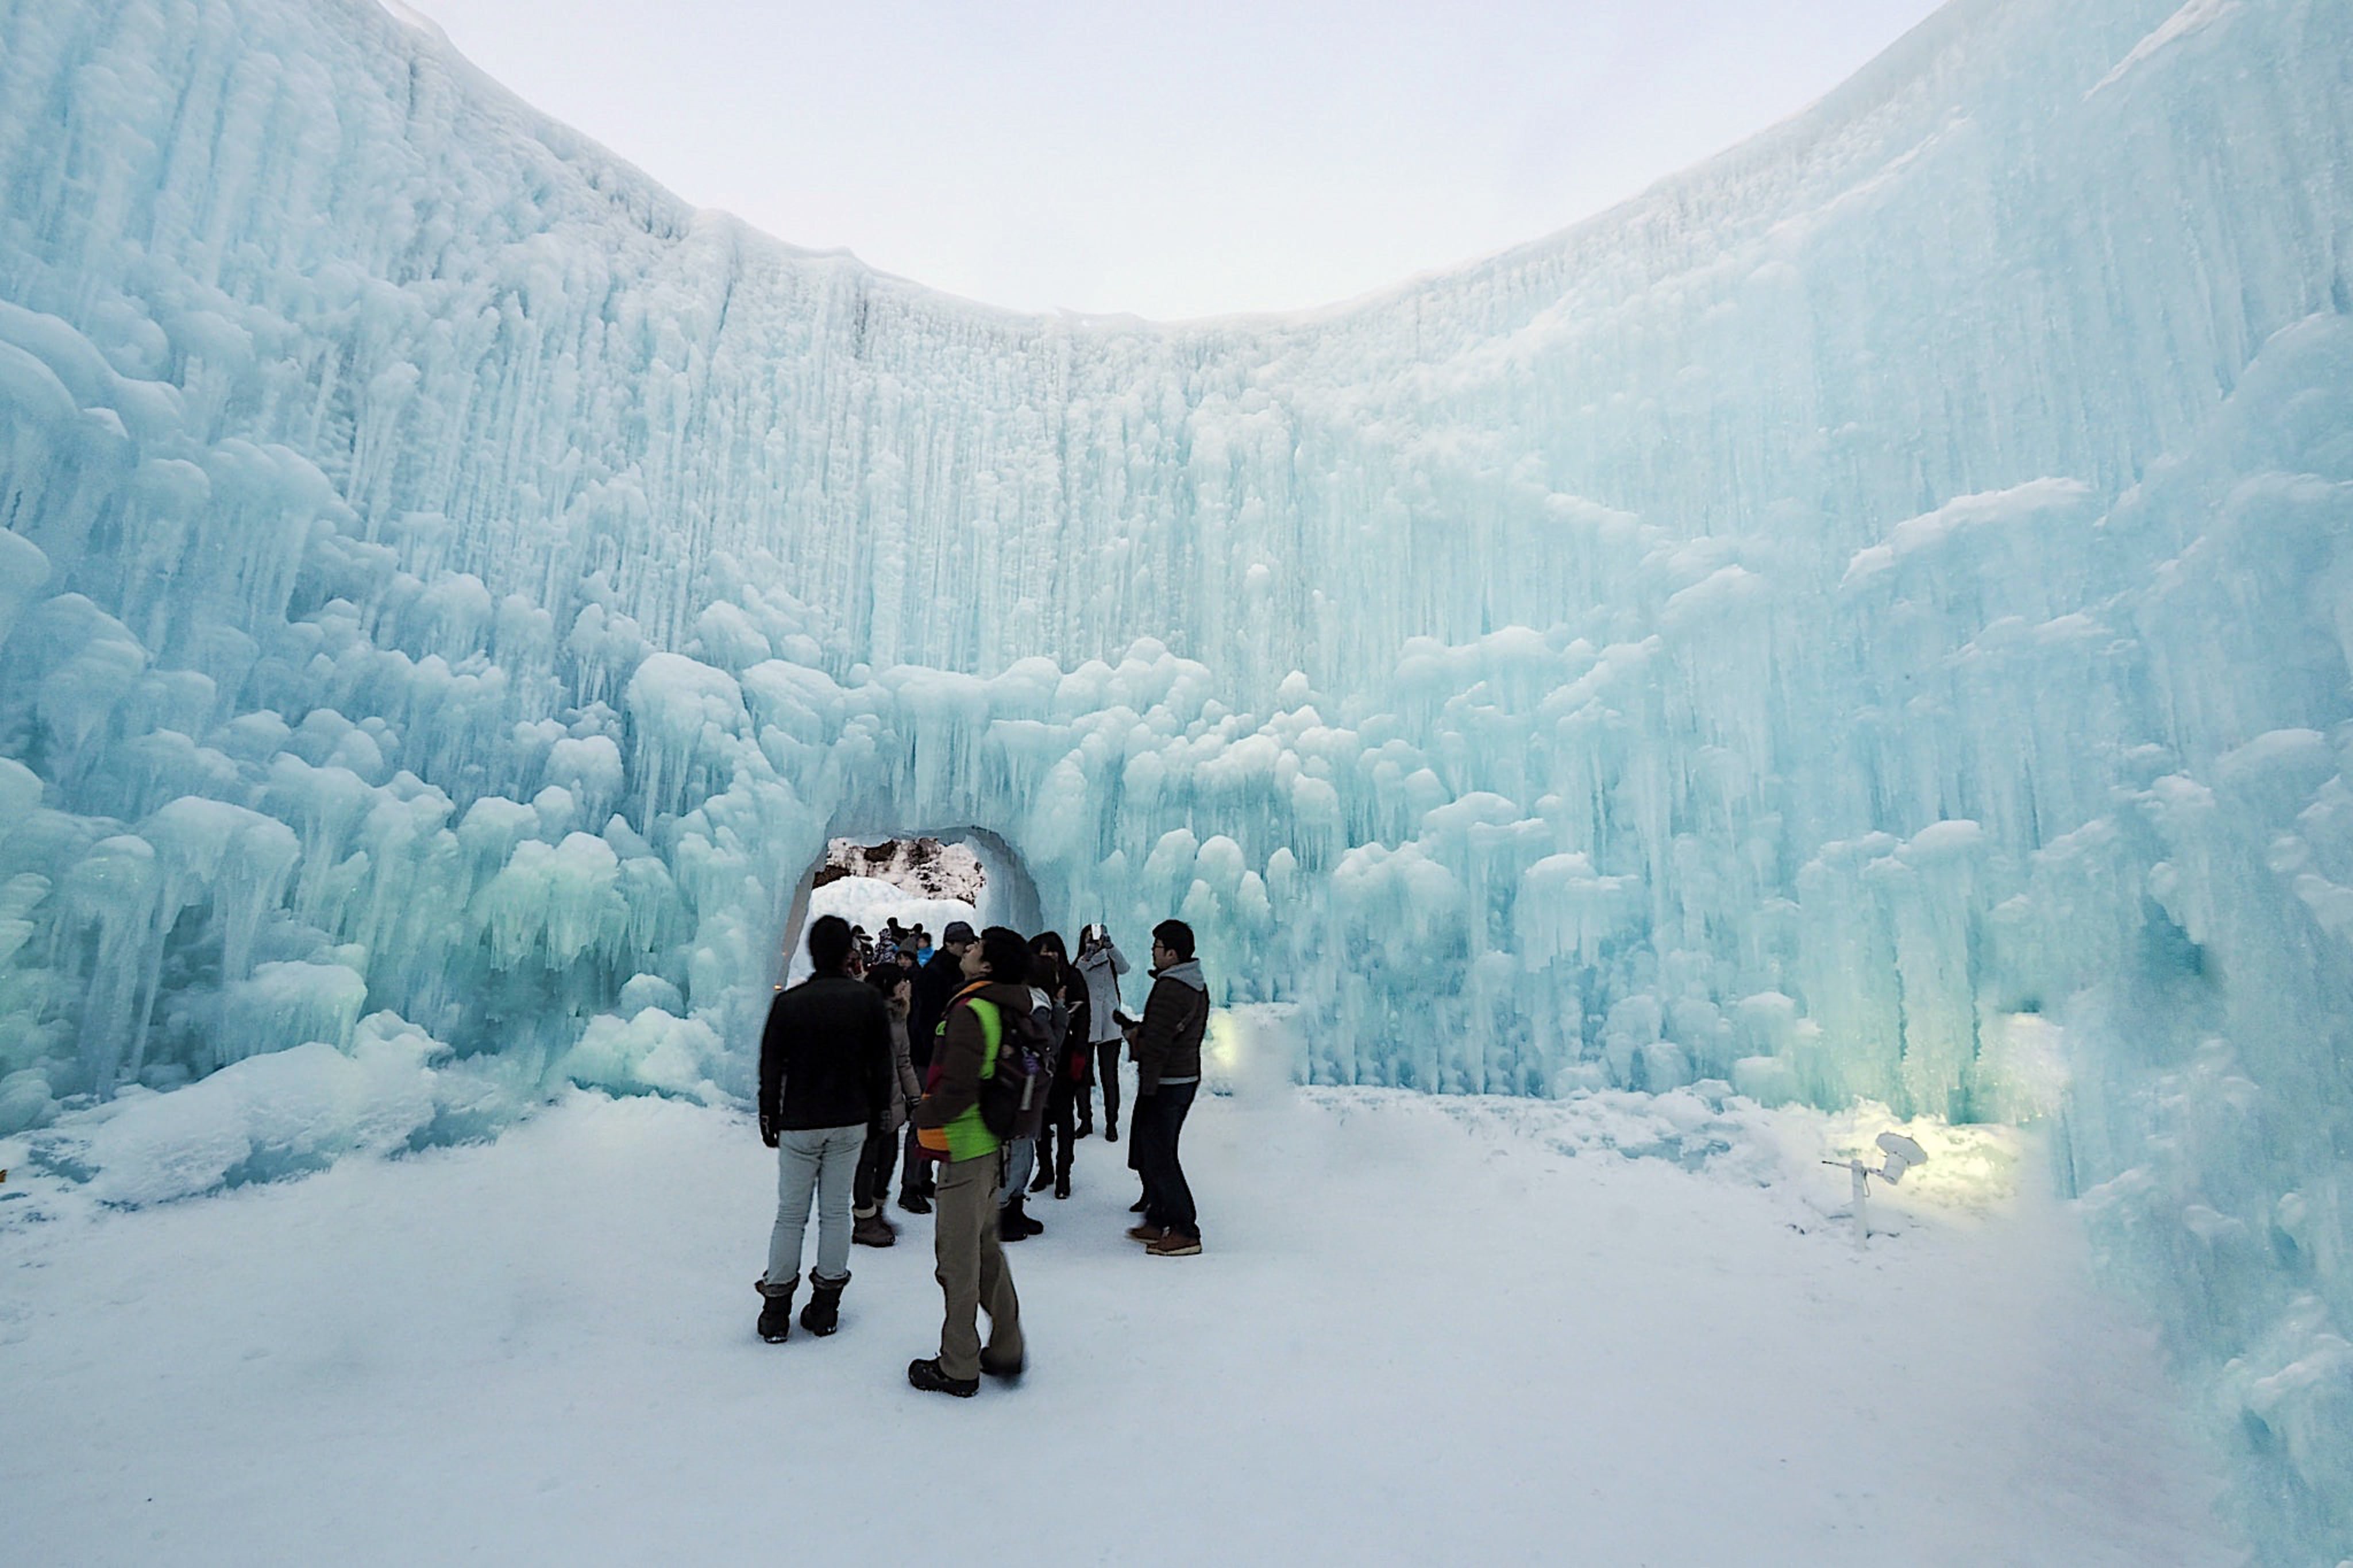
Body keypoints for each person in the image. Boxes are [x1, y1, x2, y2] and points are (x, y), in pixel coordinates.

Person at [755, 914, 894, 1341]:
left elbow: (771, 1065)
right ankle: (826, 1308)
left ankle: (776, 1310)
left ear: (813, 952)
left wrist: (769, 1115)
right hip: (850, 1119)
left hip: (800, 1120)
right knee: (835, 1212)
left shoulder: (790, 1003)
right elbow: (882, 1066)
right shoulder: (867, 1000)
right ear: (848, 954)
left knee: (791, 1214)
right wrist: (878, 1116)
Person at [908, 925, 1030, 1397]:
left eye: (978, 946)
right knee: (985, 1253)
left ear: (987, 965)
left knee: (957, 1262)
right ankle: (1006, 1346)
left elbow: (958, 1088)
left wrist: (923, 1115)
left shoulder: (971, 1010)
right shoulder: (997, 1005)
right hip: (987, 1148)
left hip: (963, 1149)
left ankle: (958, 1365)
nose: (970, 947)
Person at [1125, 920, 1209, 1258]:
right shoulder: (1192, 983)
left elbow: (1158, 1045)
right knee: (1156, 1152)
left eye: (1157, 947)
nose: (1153, 953)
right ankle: (1158, 1219)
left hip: (1167, 1082)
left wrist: (1136, 1040)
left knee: (1160, 1156)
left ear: (1172, 954)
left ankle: (1185, 1229)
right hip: (1181, 1077)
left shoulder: (1172, 987)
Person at [898, 920, 977, 1214]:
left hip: (937, 1055)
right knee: (922, 1120)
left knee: (933, 1119)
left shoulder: (949, 971)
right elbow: (926, 1020)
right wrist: (937, 1054)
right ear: (950, 944)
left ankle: (922, 1177)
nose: (968, 948)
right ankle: (910, 1186)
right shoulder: (936, 975)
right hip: (928, 1057)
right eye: (964, 943)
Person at [852, 965, 924, 1248]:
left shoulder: (898, 1015)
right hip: (869, 1104)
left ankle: (878, 1211)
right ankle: (864, 1218)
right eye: (901, 981)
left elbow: (903, 1061)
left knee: (888, 1160)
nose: (906, 985)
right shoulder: (864, 1014)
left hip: (892, 1105)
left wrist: (915, 1097)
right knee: (867, 1163)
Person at [1028, 930, 1087, 1200]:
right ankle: (1045, 1169)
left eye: (1053, 950)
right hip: (1041, 1062)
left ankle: (1064, 1172)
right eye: (1044, 951)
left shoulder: (1072, 977)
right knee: (1040, 1119)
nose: (1050, 955)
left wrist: (1081, 1053)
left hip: (1065, 1060)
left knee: (1064, 1118)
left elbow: (1084, 1018)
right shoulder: (1034, 982)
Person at [1074, 924, 1130, 1140]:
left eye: (1097, 938)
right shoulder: (1081, 962)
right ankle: (1085, 1120)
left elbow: (1125, 968)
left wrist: (1110, 947)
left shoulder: (1111, 959)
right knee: (1083, 1077)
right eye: (1089, 938)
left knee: (1110, 1077)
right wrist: (1087, 957)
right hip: (1086, 1025)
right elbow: (1076, 979)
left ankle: (1111, 1123)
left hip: (1109, 1024)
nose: (1094, 942)